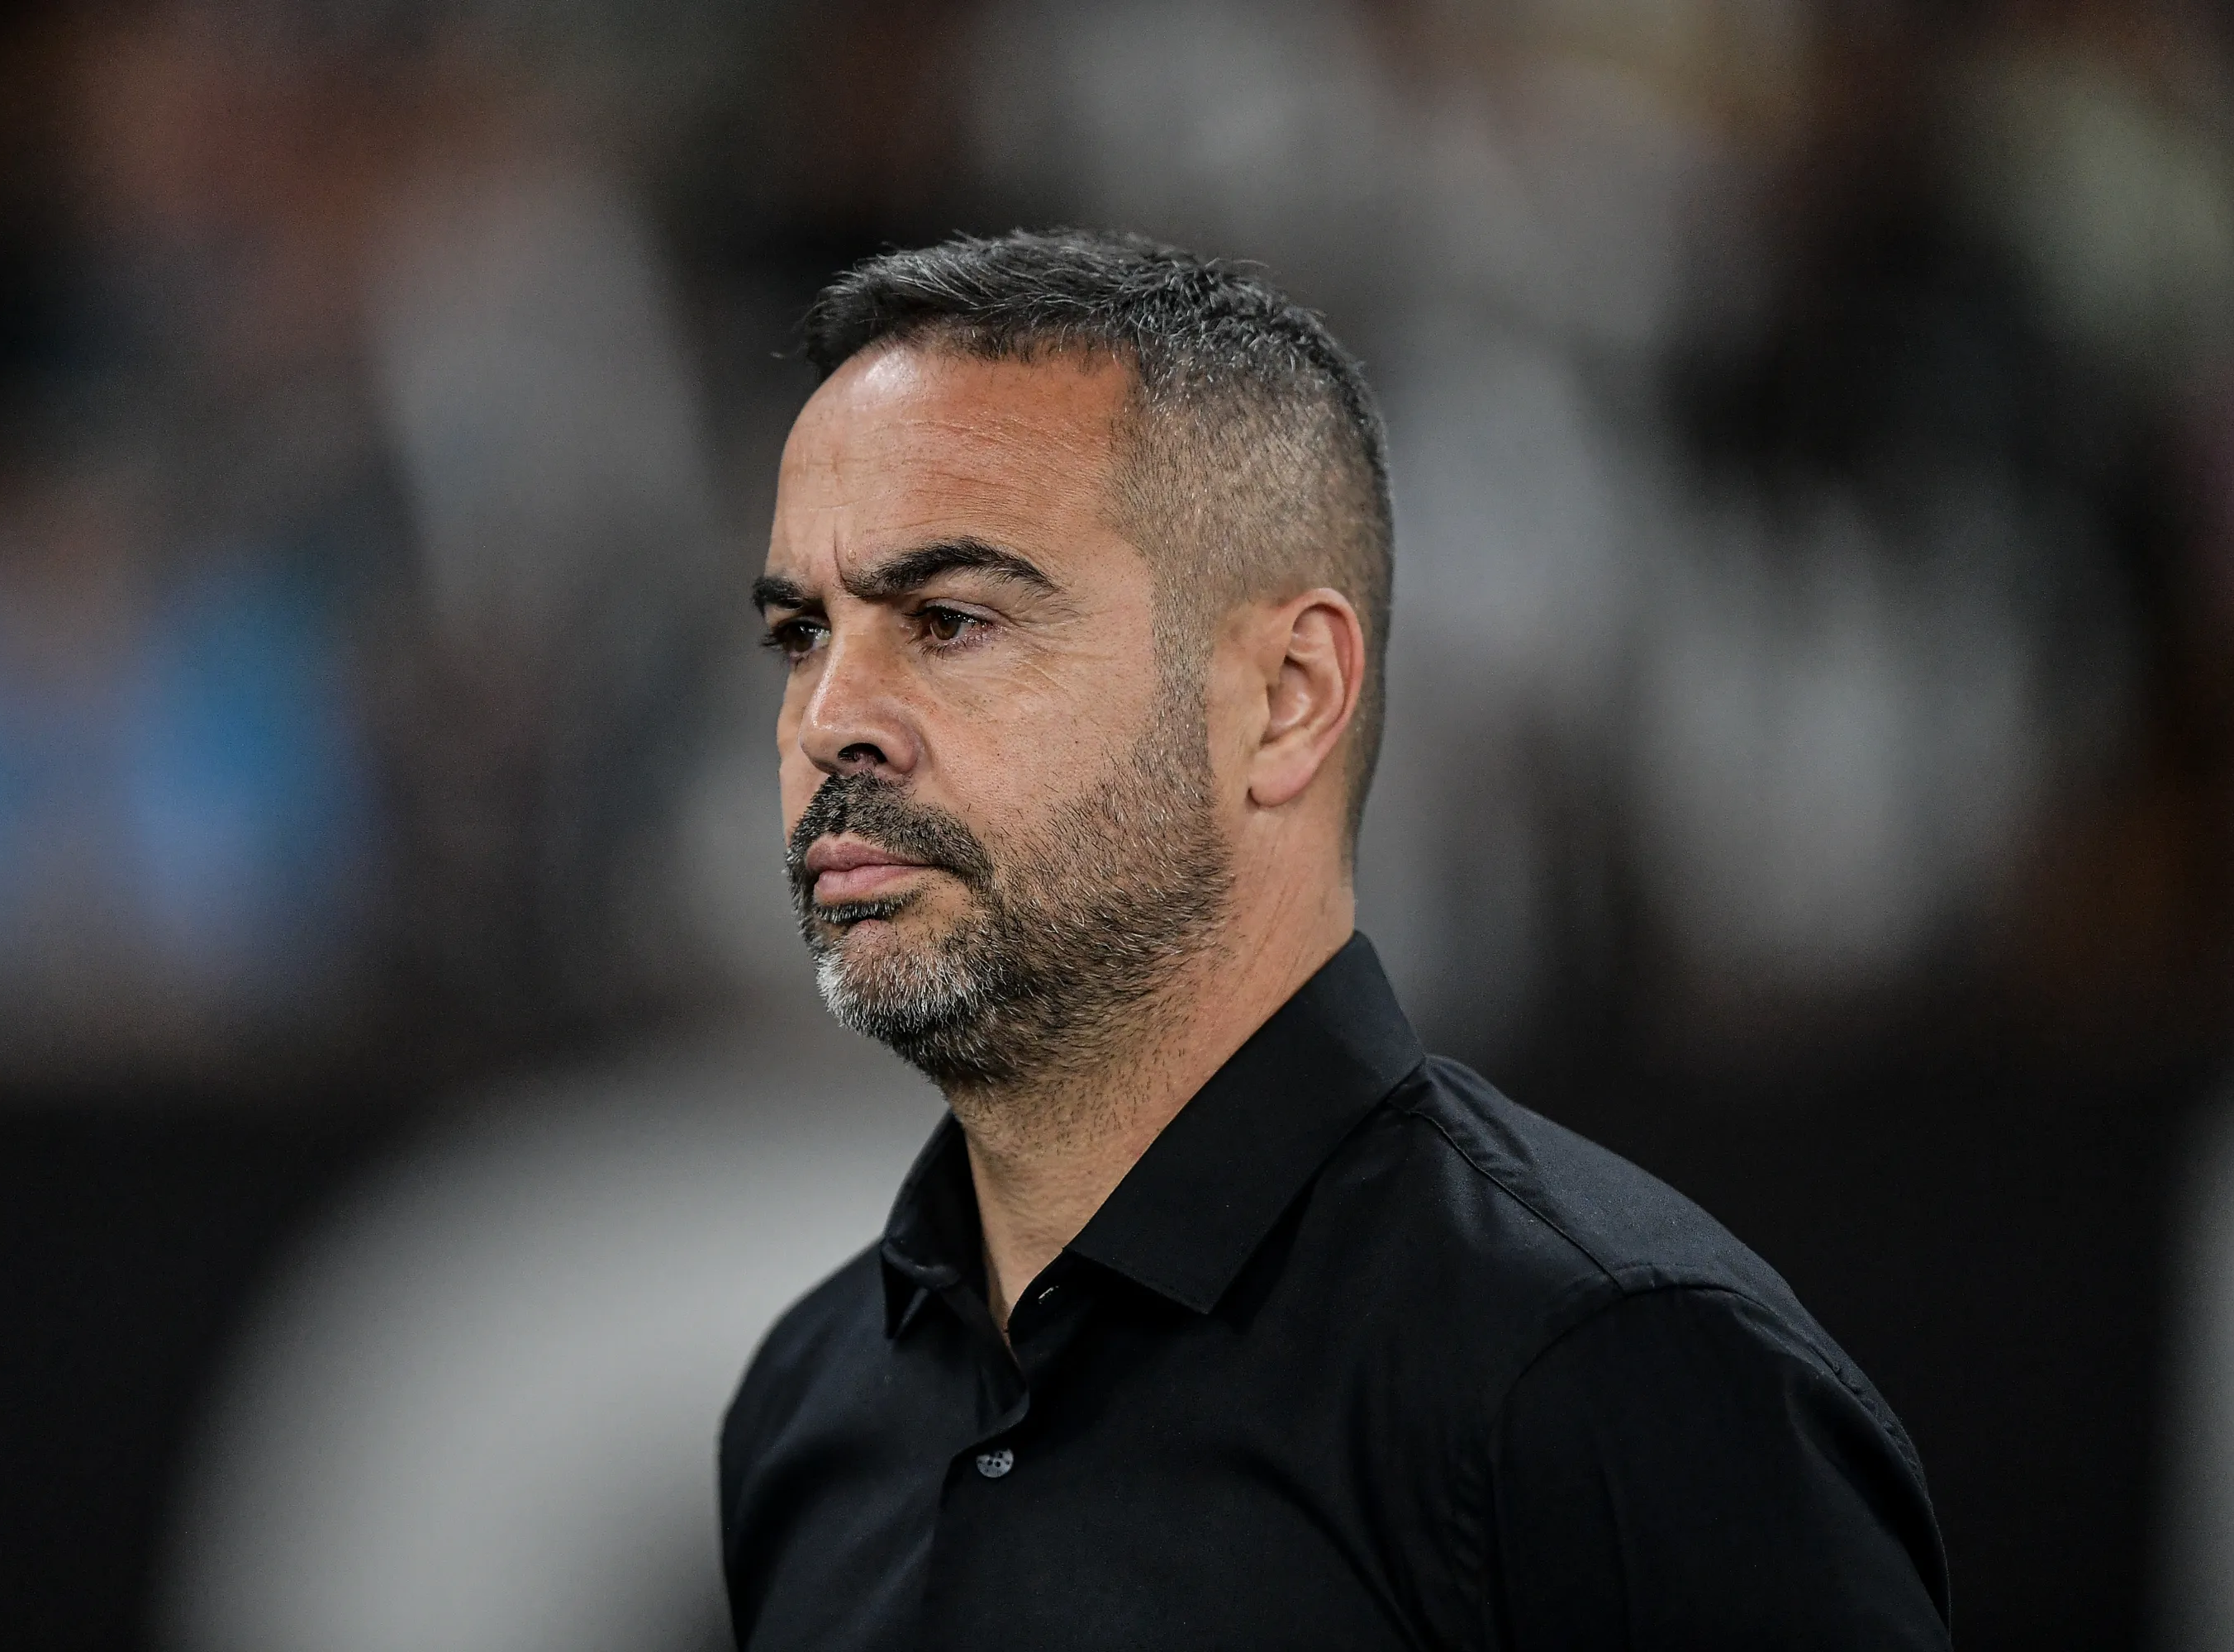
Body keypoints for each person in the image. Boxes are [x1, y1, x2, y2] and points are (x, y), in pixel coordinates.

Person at [720, 229, 1951, 1650]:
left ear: (1289, 695)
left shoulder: (1614, 1385)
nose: (828, 721)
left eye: (948, 619)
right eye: (800, 634)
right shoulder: (808, 1410)